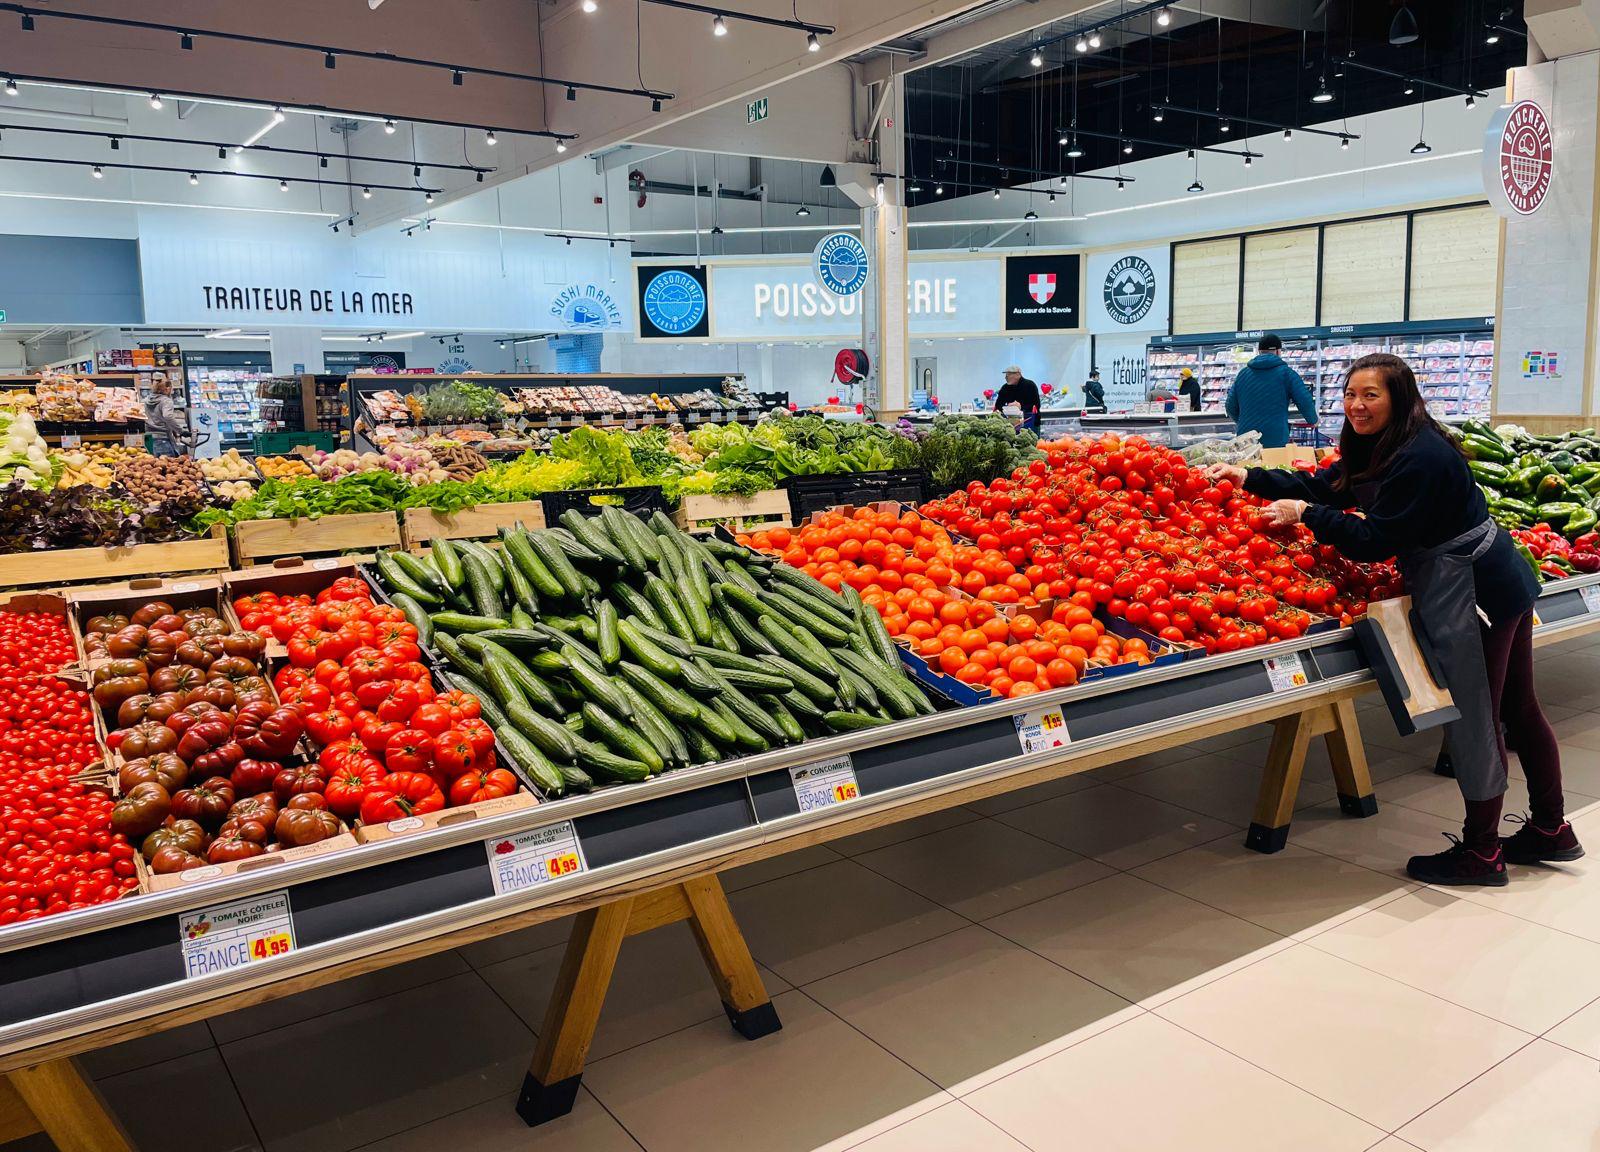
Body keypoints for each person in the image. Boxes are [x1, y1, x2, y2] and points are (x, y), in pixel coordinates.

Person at [1206, 353, 1576, 886]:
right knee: (1517, 707)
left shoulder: (1421, 455)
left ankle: (1483, 851)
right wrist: (1252, 477)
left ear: (1399, 397)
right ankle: (1550, 829)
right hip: (1497, 575)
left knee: (1477, 715)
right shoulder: (1381, 442)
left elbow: (1376, 541)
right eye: (1351, 394)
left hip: (1472, 585)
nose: (1357, 405)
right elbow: (1333, 485)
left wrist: (1307, 516)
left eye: (1371, 395)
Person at [1224, 333, 1318, 448]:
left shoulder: (1243, 374)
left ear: (1259, 352)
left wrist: (1243, 422)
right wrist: (1313, 420)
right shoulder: (1286, 373)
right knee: (1273, 465)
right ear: (1278, 351)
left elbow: (1229, 406)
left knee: (1247, 465)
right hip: (1275, 437)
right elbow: (1304, 400)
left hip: (1246, 438)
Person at [141, 374, 187, 457]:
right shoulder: (166, 401)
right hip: (162, 439)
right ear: (167, 389)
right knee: (167, 466)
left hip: (148, 438)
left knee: (152, 466)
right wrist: (180, 431)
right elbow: (168, 416)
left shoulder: (146, 400)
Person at [994, 365, 1041, 432]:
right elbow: (998, 405)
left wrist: (1020, 407)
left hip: (1030, 423)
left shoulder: (1030, 385)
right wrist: (1008, 408)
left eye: (1009, 375)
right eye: (1006, 375)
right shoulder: (1005, 388)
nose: (1006, 377)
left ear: (1018, 374)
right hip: (1010, 425)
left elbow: (1036, 405)